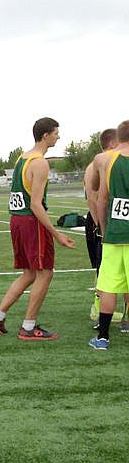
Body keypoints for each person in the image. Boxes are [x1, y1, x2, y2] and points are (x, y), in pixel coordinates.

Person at [0, 117, 75, 340]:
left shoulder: (22, 158)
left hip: (17, 220)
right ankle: (28, 327)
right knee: (45, 272)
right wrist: (57, 234)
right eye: (56, 132)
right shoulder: (39, 162)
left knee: (29, 273)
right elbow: (36, 204)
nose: (58, 136)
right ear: (45, 135)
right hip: (31, 221)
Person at [90, 120, 129, 350]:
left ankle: (103, 337)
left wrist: (104, 230)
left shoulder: (107, 160)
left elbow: (101, 199)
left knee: (108, 285)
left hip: (115, 233)